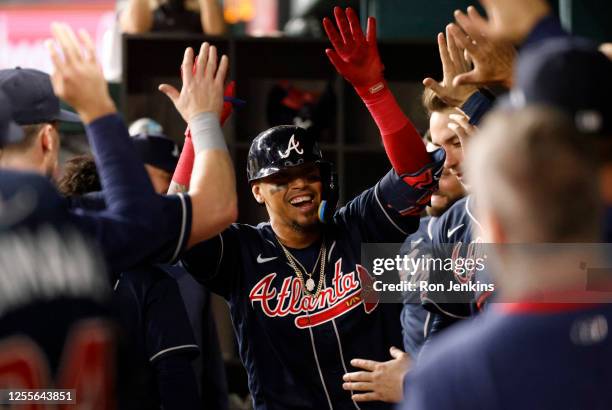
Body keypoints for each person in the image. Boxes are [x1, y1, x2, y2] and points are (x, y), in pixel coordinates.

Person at [173, 7, 444, 409]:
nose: (299, 184)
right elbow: (173, 227)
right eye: (281, 179)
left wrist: (374, 89)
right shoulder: (240, 253)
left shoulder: (357, 226)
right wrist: (199, 132)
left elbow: (417, 174)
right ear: (258, 192)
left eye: (308, 173)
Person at [401, 106, 612, 410]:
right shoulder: (447, 224)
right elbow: (440, 319)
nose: (444, 161)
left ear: (493, 232)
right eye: (437, 147)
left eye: (456, 143)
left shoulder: (446, 378)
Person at [0, 24, 237, 274]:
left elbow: (155, 210)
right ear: (48, 139)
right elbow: (214, 208)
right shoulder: (72, 225)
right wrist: (202, 120)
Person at [119, 0, 226, 35]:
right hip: (151, 73)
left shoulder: (199, 6)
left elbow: (215, 32)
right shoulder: (147, 5)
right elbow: (136, 29)